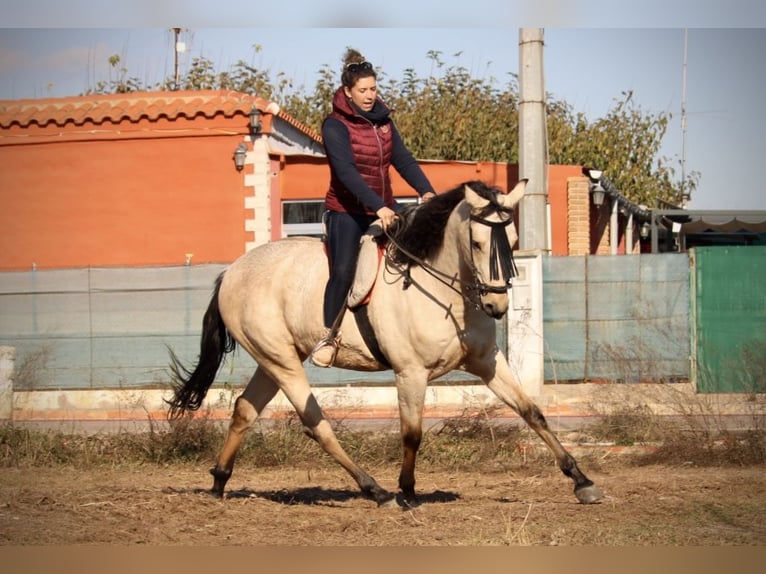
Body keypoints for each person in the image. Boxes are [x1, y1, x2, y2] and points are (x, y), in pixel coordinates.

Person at [310, 48, 436, 368]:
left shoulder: (383, 123)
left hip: (384, 206)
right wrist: (379, 206)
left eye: (373, 89)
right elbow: (346, 173)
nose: (369, 95)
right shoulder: (334, 126)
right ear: (348, 93)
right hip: (347, 211)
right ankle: (329, 335)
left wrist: (426, 191)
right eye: (363, 90)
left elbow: (403, 160)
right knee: (343, 270)